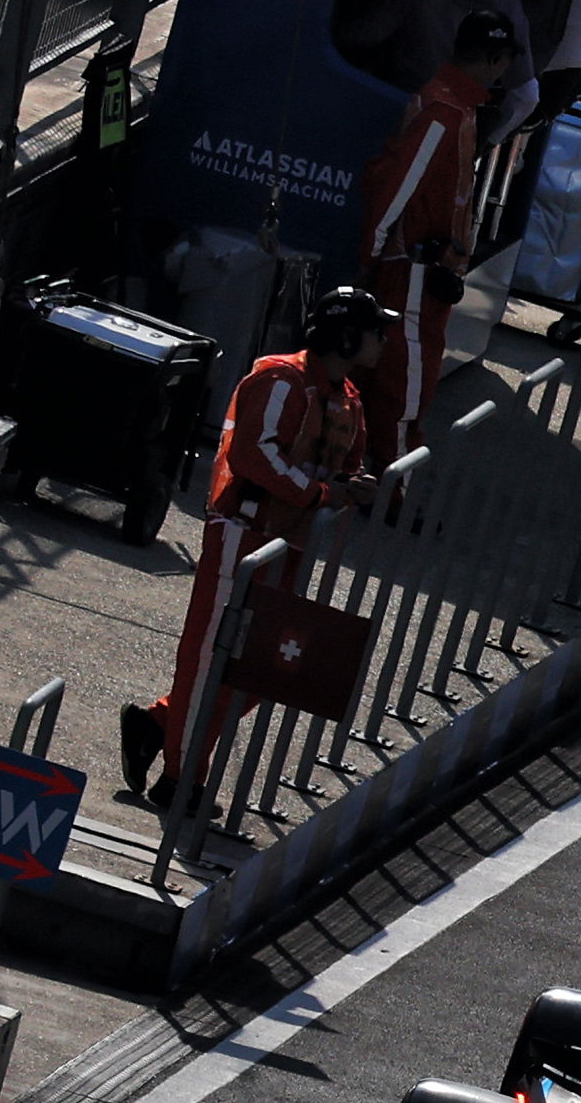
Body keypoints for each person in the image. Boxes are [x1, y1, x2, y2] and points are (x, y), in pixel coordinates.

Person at [128, 283, 397, 801]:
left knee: (261, 669)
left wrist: (354, 486)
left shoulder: (349, 400)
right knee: (209, 661)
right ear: (345, 335)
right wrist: (321, 493)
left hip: (289, 544)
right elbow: (253, 455)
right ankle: (182, 781)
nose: (384, 340)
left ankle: (161, 726)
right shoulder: (280, 379)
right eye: (374, 331)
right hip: (242, 536)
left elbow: (348, 463)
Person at [365, 8, 516, 465]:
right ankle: (392, 487)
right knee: (407, 388)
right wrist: (372, 258)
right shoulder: (444, 114)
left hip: (426, 274)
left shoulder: (456, 107)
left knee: (412, 383)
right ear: (492, 58)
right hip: (412, 272)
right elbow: (395, 189)